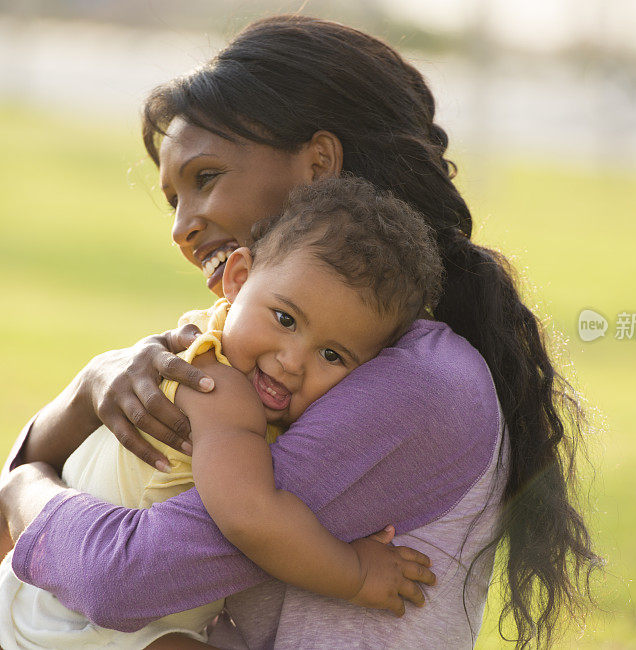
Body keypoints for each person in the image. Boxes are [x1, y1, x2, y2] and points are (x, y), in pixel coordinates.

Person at [1, 14, 600, 649]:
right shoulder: (259, 350)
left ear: (317, 165)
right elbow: (68, 463)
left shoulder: (423, 385)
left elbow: (121, 580)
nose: (181, 227)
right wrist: (95, 379)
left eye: (206, 177)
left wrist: (24, 488)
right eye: (172, 198)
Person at [0, 177, 441, 648]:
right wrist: (354, 574)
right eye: (285, 319)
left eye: (333, 356)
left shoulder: (209, 340)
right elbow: (251, 517)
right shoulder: (217, 387)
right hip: (70, 620)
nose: (292, 362)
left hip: (67, 592)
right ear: (238, 279)